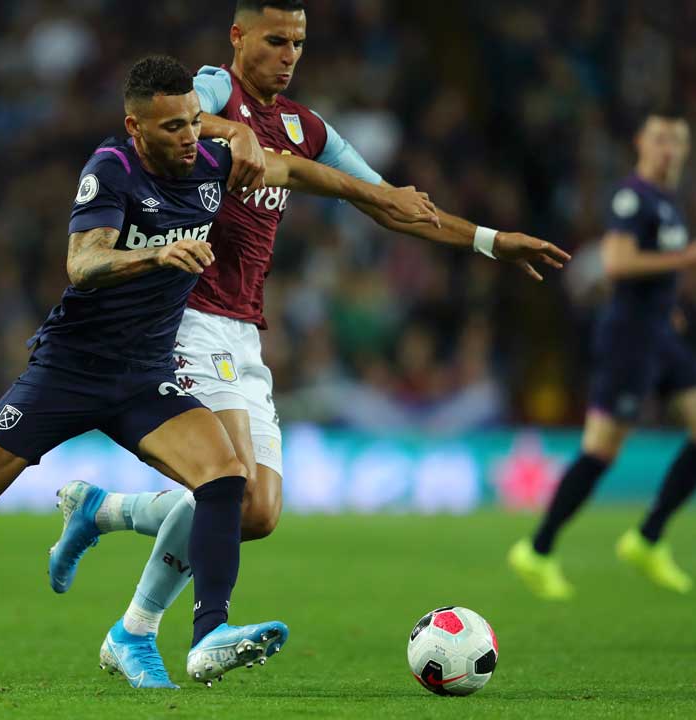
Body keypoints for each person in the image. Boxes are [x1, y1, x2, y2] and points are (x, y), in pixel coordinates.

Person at [0, 55, 442, 689]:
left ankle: (206, 632)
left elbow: (300, 173)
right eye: (171, 126)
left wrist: (378, 195)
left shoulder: (212, 161)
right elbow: (83, 263)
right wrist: (157, 255)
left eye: (191, 123)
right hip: (68, 372)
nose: (185, 137)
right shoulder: (111, 168)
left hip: (144, 379)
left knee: (226, 475)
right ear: (134, 126)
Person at [47, 0, 571, 688]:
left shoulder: (303, 127)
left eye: (298, 41)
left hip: (244, 329)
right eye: (274, 40)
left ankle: (104, 512)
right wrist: (230, 127)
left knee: (256, 512)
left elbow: (390, 202)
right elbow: (170, 119)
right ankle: (154, 631)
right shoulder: (210, 88)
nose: (289, 53)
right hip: (187, 316)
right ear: (239, 38)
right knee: (225, 485)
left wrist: (491, 241)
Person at [510, 109, 694, 599]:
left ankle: (648, 537)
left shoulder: (669, 203)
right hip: (630, 340)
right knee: (600, 451)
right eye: (660, 139)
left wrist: (670, 305)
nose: (669, 149)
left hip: (660, 335)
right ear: (641, 143)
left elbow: (654, 272)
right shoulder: (633, 196)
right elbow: (616, 262)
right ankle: (538, 548)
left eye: (677, 140)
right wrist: (686, 259)